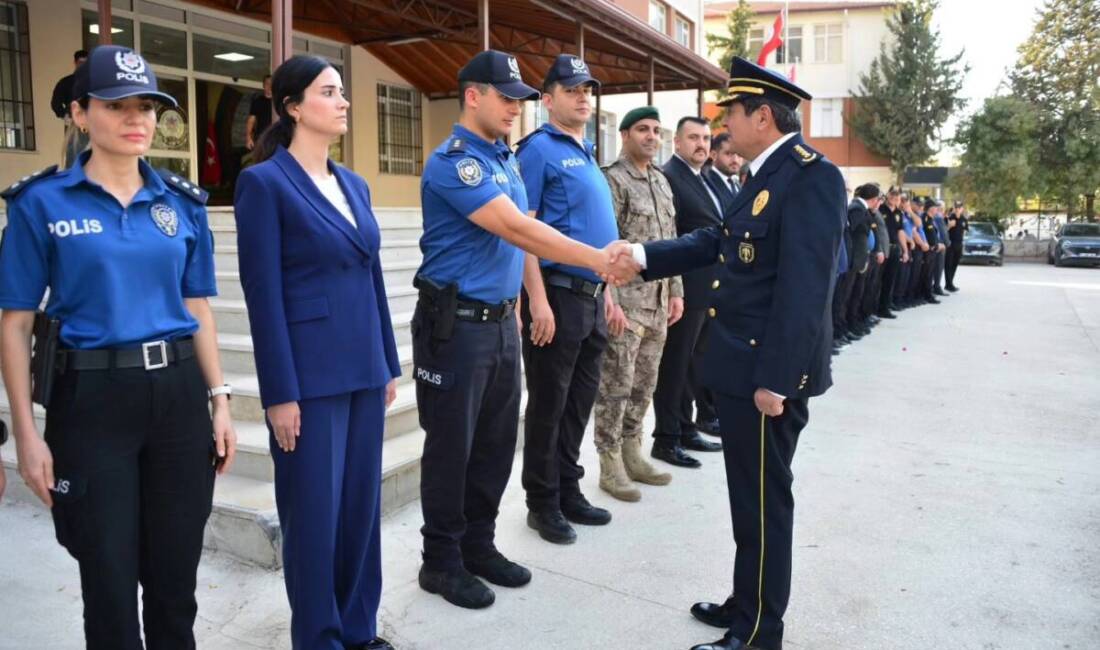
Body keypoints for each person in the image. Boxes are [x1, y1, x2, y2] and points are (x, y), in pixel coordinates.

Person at [0, 45, 236, 649]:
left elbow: (197, 307)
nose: (137, 119)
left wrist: (220, 400)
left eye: (148, 108)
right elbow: (16, 323)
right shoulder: (40, 204)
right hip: (92, 402)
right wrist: (26, 433)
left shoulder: (180, 203)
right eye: (116, 106)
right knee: (106, 578)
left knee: (174, 578)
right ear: (80, 113)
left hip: (179, 400)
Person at [607, 56, 846, 650]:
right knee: (748, 498)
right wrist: (641, 256)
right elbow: (717, 240)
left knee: (765, 504)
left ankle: (760, 632)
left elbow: (805, 288)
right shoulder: (762, 174)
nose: (723, 125)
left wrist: (778, 379)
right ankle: (747, 601)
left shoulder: (809, 176)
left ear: (761, 116)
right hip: (742, 367)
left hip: (766, 375)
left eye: (731, 113)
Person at [413, 49, 626, 610]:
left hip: (500, 321)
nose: (515, 108)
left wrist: (532, 300)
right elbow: (515, 227)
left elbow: (524, 234)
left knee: (494, 445)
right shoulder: (456, 162)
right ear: (473, 96)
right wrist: (598, 258)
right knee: (451, 449)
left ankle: (478, 546)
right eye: (506, 98)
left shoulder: (504, 160)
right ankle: (440, 561)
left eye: (520, 100)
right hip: (454, 327)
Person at [234, 55, 399, 650]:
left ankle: (359, 629)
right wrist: (279, 393)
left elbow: (372, 277)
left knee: (360, 511)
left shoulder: (354, 183)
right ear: (293, 106)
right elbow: (263, 294)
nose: (344, 101)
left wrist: (386, 361)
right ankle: (320, 638)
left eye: (342, 91)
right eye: (330, 92)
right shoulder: (264, 183)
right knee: (313, 518)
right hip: (309, 377)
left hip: (363, 368)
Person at [514, 54, 620, 545]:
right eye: (572, 89)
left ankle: (567, 488)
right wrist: (535, 299)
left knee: (578, 403)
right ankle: (542, 501)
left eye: (587, 90)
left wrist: (610, 295)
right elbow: (524, 230)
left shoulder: (584, 150)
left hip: (592, 297)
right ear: (547, 98)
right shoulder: (538, 150)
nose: (582, 97)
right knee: (549, 404)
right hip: (557, 296)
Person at [592, 106, 683, 499]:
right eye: (642, 130)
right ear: (625, 135)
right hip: (626, 304)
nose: (651, 136)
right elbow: (604, 247)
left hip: (659, 301)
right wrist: (608, 299)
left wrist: (676, 291)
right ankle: (609, 460)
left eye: (656, 130)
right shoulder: (613, 180)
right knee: (616, 384)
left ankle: (633, 449)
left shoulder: (661, 182)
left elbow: (672, 243)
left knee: (644, 384)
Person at [650, 116, 727, 467]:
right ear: (677, 142)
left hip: (707, 288)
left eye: (706, 138)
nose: (702, 144)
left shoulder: (703, 177)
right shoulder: (670, 176)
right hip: (685, 287)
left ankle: (685, 428)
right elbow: (670, 234)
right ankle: (666, 438)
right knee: (674, 366)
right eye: (693, 137)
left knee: (691, 365)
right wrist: (673, 288)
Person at [51, 49, 90, 168]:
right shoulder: (66, 82)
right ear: (75, 63)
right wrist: (64, 115)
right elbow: (55, 103)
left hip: (93, 122)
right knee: (74, 156)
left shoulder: (94, 83)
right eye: (80, 62)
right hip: (74, 123)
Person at [246, 74, 274, 151]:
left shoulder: (279, 101)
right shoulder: (258, 101)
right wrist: (248, 138)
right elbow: (251, 120)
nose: (269, 86)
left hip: (276, 137)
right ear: (263, 85)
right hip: (261, 136)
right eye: (267, 84)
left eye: (271, 84)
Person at [945, 200, 968, 291]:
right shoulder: (950, 218)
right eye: (956, 208)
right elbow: (943, 231)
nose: (958, 209)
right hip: (950, 244)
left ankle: (951, 283)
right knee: (948, 265)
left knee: (954, 264)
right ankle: (948, 284)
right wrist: (949, 226)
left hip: (959, 244)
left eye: (959, 208)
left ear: (962, 209)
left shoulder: (964, 219)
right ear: (954, 208)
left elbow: (965, 231)